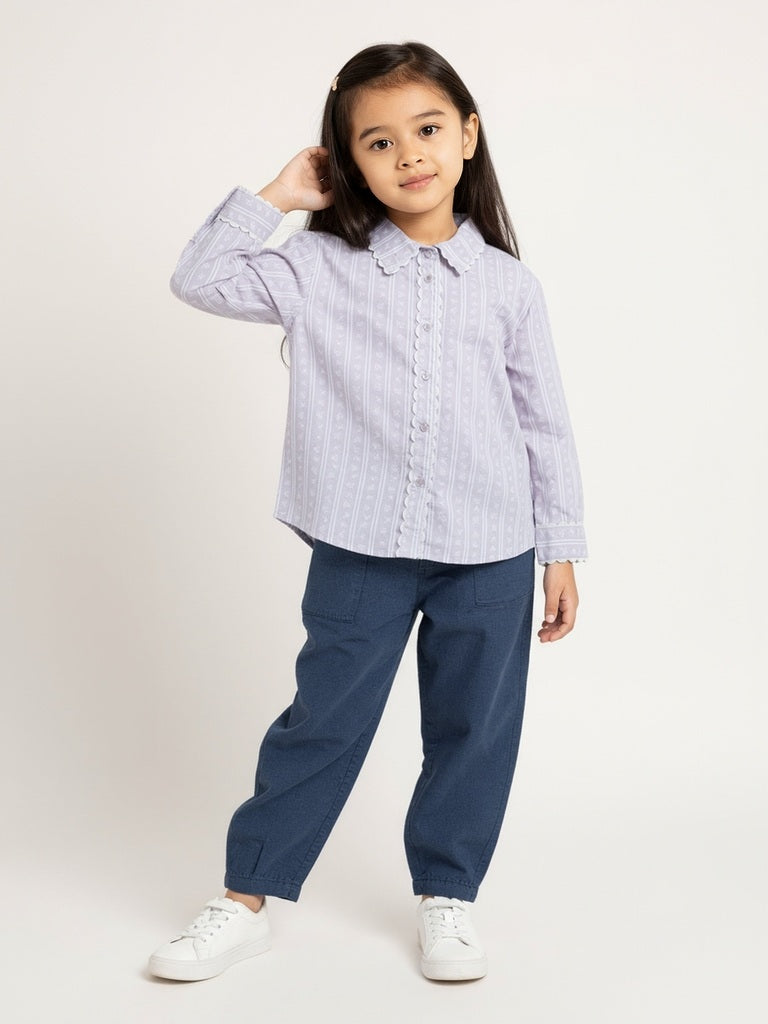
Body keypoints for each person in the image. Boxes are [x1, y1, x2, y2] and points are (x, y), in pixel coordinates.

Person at [148, 40, 587, 984]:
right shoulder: (315, 267)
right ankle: (246, 899)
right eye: (378, 142)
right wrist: (277, 195)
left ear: (467, 135)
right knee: (323, 722)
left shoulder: (510, 288)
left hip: (491, 548)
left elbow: (543, 423)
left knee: (474, 730)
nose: (409, 154)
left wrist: (560, 549)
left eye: (427, 129)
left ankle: (448, 896)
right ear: (349, 162)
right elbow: (198, 278)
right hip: (358, 545)